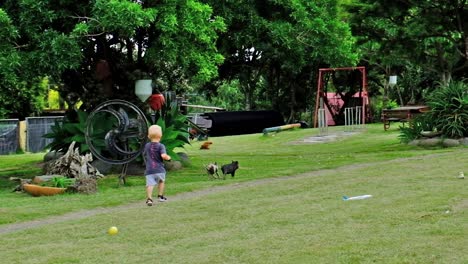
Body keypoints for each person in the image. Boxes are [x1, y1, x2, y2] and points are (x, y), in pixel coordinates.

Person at [144, 125, 171, 206]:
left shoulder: (147, 145)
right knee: (161, 181)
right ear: (161, 136)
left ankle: (149, 199)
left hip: (149, 170)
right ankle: (160, 196)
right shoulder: (161, 146)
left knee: (150, 184)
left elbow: (145, 154)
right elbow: (163, 156)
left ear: (148, 136)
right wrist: (169, 158)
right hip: (159, 169)